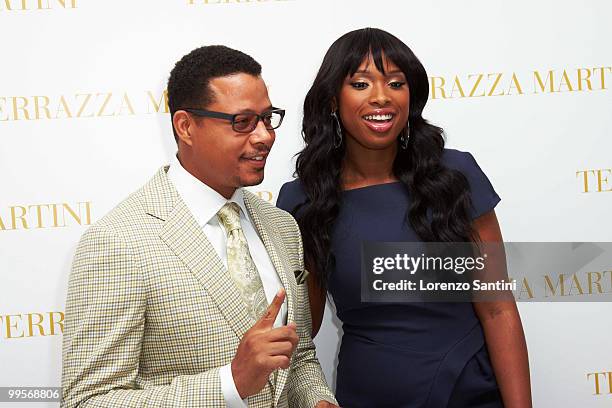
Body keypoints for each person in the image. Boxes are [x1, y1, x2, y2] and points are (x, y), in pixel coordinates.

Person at [61, 45, 337, 408]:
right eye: (242, 122)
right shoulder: (118, 241)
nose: (264, 136)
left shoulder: (281, 225)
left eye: (268, 118)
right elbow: (87, 401)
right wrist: (231, 383)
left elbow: (298, 356)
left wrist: (319, 401)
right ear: (185, 126)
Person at [276, 28, 532, 407]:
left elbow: (497, 308)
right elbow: (305, 326)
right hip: (369, 394)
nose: (381, 96)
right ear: (333, 100)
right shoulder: (302, 201)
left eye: (396, 82)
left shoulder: (455, 175)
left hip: (467, 392)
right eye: (361, 83)